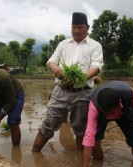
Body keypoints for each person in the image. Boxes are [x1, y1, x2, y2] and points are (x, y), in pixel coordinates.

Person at [32, 12, 104, 152]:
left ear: (87, 27)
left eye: (80, 27)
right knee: (48, 123)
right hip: (60, 90)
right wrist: (56, 70)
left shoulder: (95, 46)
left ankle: (79, 159)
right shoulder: (63, 44)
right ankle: (34, 153)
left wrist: (81, 77)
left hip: (82, 93)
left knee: (80, 129)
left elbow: (96, 67)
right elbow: (51, 61)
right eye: (73, 27)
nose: (76, 31)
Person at [82, 81, 133, 167]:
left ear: (119, 103)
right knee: (95, 141)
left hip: (123, 113)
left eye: (110, 112)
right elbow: (89, 137)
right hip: (101, 116)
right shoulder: (94, 107)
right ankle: (98, 162)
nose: (108, 115)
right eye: (105, 112)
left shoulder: (127, 92)